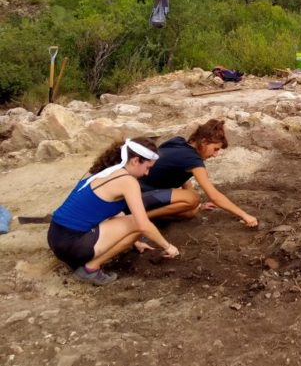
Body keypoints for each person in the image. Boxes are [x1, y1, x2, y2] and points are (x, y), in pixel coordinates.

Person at [48, 138, 180, 286]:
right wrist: (168, 247)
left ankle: (85, 261)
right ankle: (90, 270)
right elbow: (143, 224)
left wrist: (134, 241)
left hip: (56, 238)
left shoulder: (106, 173)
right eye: (147, 167)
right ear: (135, 160)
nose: (147, 173)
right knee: (138, 223)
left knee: (126, 218)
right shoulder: (128, 181)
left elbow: (108, 212)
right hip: (72, 245)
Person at [138, 119, 259, 227]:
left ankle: (145, 215)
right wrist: (244, 215)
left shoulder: (178, 142)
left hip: (144, 193)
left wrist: (199, 205)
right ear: (204, 142)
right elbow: (214, 196)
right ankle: (138, 218)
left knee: (191, 211)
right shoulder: (193, 159)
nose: (215, 155)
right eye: (215, 149)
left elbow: (182, 174)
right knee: (193, 198)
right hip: (137, 195)